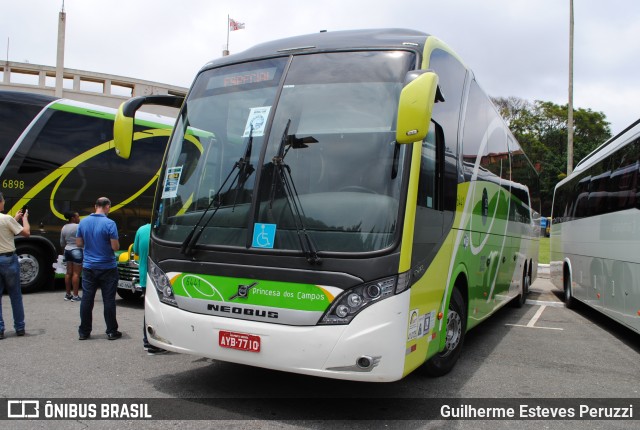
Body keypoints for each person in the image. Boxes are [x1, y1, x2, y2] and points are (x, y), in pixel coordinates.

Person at [76, 197, 121, 341]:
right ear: (107, 206)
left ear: (95, 206)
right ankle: (111, 331)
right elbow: (115, 247)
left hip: (89, 266)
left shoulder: (83, 222)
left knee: (87, 300)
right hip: (108, 266)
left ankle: (84, 332)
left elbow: (79, 243)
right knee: (108, 300)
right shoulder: (110, 223)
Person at [0, 192, 30, 339]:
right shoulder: (6, 219)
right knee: (15, 295)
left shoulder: (8, 220)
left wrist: (15, 219)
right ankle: (19, 327)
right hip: (8, 259)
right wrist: (24, 219)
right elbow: (26, 233)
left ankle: (0, 329)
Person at [133, 223, 166, 355]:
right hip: (160, 278)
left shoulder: (141, 229)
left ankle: (148, 342)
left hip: (144, 277)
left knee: (149, 310)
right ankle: (152, 343)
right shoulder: (164, 229)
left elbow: (135, 250)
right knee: (159, 311)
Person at [60, 210, 83, 302]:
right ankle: (75, 295)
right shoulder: (79, 227)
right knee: (76, 274)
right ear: (73, 218)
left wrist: (63, 253)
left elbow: (62, 242)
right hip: (77, 250)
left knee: (68, 273)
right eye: (78, 217)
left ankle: (68, 294)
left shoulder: (64, 227)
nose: (79, 218)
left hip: (67, 250)